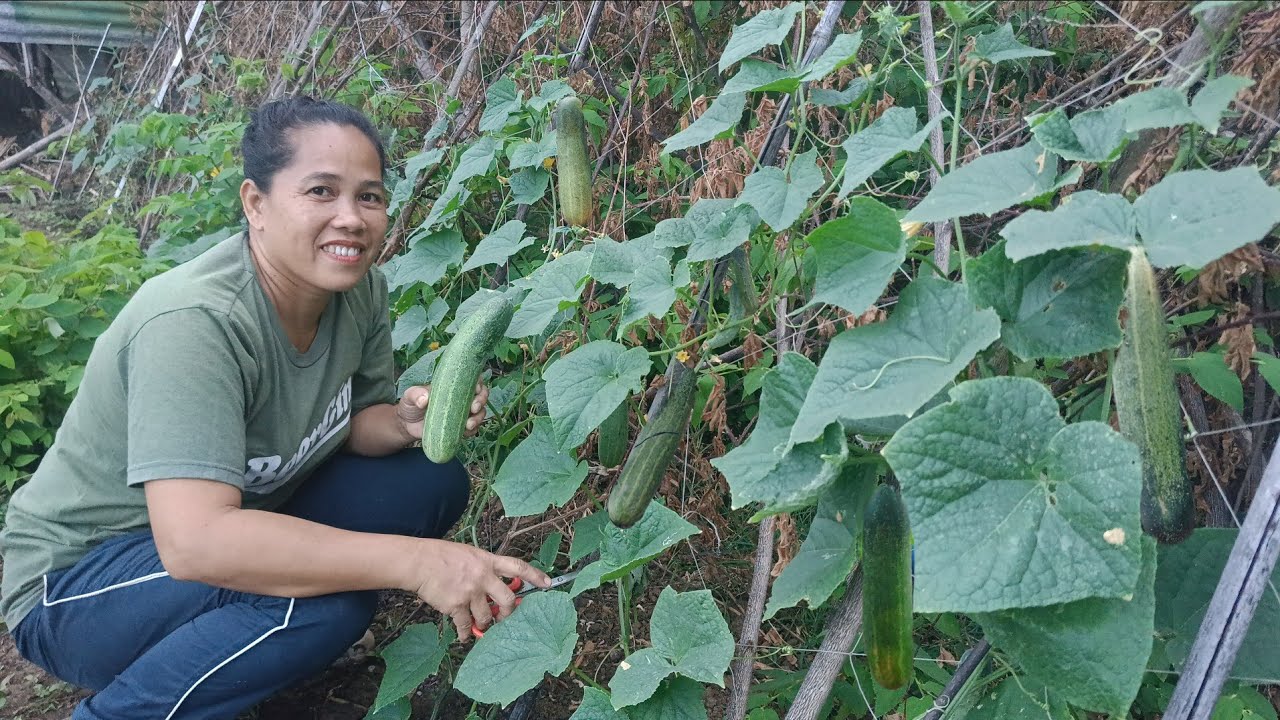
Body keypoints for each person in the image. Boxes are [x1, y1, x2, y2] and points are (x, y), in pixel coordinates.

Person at [0, 96, 549, 720]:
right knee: (327, 602)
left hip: (230, 522)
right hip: (80, 589)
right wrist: (419, 563)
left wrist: (400, 423)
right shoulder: (195, 323)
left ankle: (245, 643)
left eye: (369, 196)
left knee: (427, 480)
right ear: (255, 204)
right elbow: (197, 544)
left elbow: (347, 424)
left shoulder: (359, 289)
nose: (351, 217)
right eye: (321, 191)